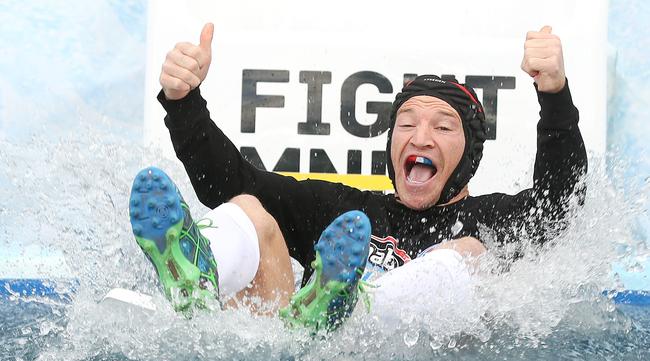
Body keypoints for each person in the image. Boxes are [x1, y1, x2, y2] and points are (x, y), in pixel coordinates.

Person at [128, 23, 587, 331]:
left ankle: (357, 308)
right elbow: (226, 182)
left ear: (470, 155)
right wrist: (184, 102)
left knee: (471, 254)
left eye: (443, 127)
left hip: (389, 349)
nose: (420, 136)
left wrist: (555, 93)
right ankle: (196, 281)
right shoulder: (346, 211)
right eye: (406, 124)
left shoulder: (492, 218)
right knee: (248, 206)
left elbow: (561, 202)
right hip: (300, 346)